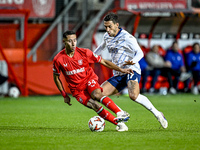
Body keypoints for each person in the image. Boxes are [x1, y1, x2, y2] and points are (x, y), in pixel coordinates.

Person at [94, 12, 168, 129]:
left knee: (133, 96)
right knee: (98, 94)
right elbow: (101, 48)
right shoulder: (106, 36)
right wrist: (90, 57)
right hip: (119, 73)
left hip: (131, 70)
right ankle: (121, 118)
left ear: (117, 25)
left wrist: (131, 62)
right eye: (105, 27)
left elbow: (140, 53)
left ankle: (158, 114)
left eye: (110, 26)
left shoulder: (127, 37)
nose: (107, 29)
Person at [53, 30, 133, 132]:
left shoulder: (84, 52)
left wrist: (121, 69)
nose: (73, 43)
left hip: (89, 80)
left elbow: (103, 61)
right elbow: (56, 78)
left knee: (96, 94)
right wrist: (64, 95)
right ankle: (120, 124)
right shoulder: (58, 59)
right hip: (77, 90)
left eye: (75, 40)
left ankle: (120, 112)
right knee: (95, 106)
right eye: (70, 41)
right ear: (64, 42)